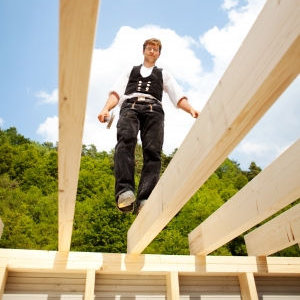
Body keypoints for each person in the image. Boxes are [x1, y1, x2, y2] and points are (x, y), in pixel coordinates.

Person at [98, 38, 199, 214]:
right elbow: (116, 92)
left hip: (154, 110)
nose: (152, 51)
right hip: (130, 106)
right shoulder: (131, 71)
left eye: (156, 49)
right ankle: (124, 192)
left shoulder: (163, 74)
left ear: (159, 54)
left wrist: (191, 109)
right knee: (125, 143)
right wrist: (106, 108)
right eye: (149, 48)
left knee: (153, 152)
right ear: (143, 50)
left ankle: (145, 197)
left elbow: (178, 95)